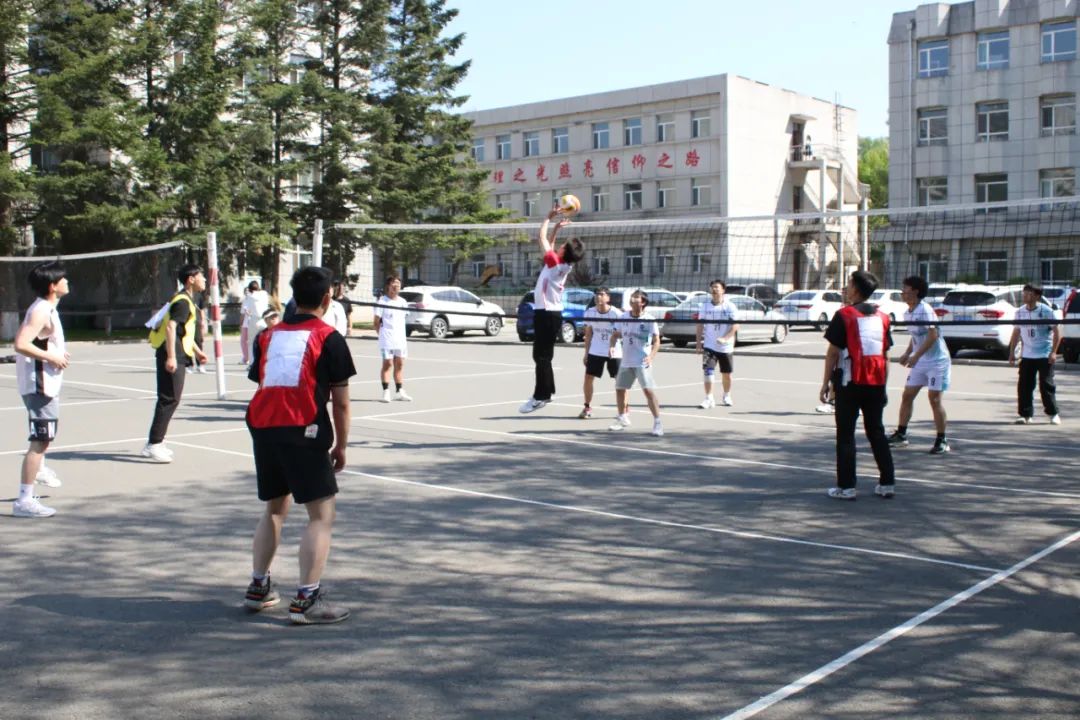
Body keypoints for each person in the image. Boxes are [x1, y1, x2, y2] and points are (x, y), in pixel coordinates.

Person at [243, 265, 356, 625]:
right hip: (302, 428)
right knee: (321, 516)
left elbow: (262, 379)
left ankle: (259, 587)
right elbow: (341, 403)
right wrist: (340, 445)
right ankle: (306, 599)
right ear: (328, 297)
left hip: (264, 426)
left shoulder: (267, 336)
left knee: (275, 508)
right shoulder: (329, 338)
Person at [820, 270, 895, 500]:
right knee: (876, 432)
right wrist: (884, 385)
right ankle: (887, 483)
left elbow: (833, 353)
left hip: (849, 383)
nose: (846, 288)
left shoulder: (844, 315)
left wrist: (825, 384)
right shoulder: (883, 317)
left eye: (849, 284)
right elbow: (886, 356)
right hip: (876, 382)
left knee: (845, 435)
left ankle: (846, 487)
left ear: (855, 289)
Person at [12, 261, 70, 518]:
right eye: (63, 279)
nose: (67, 282)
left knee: (43, 439)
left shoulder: (47, 308)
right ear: (52, 286)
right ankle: (24, 500)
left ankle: (40, 470)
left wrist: (57, 352)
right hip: (40, 386)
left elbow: (41, 341)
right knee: (40, 440)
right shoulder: (41, 310)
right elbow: (21, 343)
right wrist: (52, 357)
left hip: (45, 384)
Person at [519, 205, 584, 414]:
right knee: (543, 356)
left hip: (546, 315)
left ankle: (541, 397)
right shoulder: (563, 264)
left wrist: (547, 218)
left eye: (563, 245)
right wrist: (556, 230)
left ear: (564, 252)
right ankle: (548, 391)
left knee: (541, 357)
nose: (560, 246)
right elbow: (551, 247)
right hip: (551, 314)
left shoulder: (555, 264)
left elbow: (541, 239)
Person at [142, 264, 208, 463]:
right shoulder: (183, 302)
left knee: (170, 398)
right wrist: (171, 356)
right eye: (201, 276)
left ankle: (158, 441)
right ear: (191, 279)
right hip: (172, 354)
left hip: (177, 353)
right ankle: (153, 444)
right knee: (169, 399)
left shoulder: (184, 299)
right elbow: (171, 328)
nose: (204, 279)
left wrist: (198, 352)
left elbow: (183, 332)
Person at [888, 275, 952, 454]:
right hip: (920, 361)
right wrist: (907, 352)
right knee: (907, 395)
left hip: (937, 361)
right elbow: (916, 336)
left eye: (905, 289)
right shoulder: (908, 312)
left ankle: (942, 440)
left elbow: (933, 335)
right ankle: (901, 434)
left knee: (935, 399)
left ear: (915, 291)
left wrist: (916, 355)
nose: (902, 292)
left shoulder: (925, 310)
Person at [609, 290, 663, 436]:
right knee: (620, 389)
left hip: (642, 361)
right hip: (626, 361)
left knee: (648, 391)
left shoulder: (649, 319)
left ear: (643, 302)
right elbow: (614, 335)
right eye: (632, 297)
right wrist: (612, 346)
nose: (632, 299)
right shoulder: (623, 317)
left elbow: (657, 341)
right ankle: (622, 418)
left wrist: (651, 356)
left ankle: (658, 422)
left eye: (636, 297)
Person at [1009, 283, 1062, 425]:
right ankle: (1025, 415)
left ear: (1037, 296)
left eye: (1029, 293)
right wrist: (1012, 353)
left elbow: (1057, 333)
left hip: (1044, 354)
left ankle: (1053, 414)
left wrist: (1053, 352)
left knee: (1046, 385)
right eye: (1024, 293)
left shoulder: (1046, 311)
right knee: (1024, 386)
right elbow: (1016, 332)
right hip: (1027, 355)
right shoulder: (1020, 312)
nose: (1025, 296)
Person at [695, 279, 739, 408]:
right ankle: (709, 398)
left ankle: (727, 395)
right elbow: (700, 325)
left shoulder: (730, 306)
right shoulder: (705, 306)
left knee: (726, 374)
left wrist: (725, 338)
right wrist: (698, 343)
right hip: (709, 345)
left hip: (725, 347)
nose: (714, 289)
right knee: (708, 371)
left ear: (723, 290)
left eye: (717, 287)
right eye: (712, 287)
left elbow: (736, 325)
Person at [579, 287, 622, 419]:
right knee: (588, 378)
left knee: (619, 381)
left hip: (614, 351)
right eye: (596, 294)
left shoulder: (616, 313)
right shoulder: (590, 312)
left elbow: (623, 333)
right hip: (595, 350)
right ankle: (587, 407)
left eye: (601, 294)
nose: (598, 297)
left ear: (608, 298)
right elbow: (588, 334)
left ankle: (623, 410)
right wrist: (586, 353)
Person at [373, 275, 411, 403]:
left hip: (400, 340)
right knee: (388, 364)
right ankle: (386, 392)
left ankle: (399, 391)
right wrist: (381, 335)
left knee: (399, 365)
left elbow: (403, 318)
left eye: (398, 284)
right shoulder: (382, 301)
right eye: (394, 284)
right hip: (387, 340)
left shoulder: (403, 302)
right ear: (388, 286)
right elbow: (376, 322)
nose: (396, 286)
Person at [241, 280, 270, 365]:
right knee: (264, 342)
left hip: (254, 320)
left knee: (251, 343)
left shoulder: (250, 297)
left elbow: (247, 310)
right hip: (264, 320)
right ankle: (265, 361)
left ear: (250, 289)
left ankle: (252, 363)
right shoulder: (264, 294)